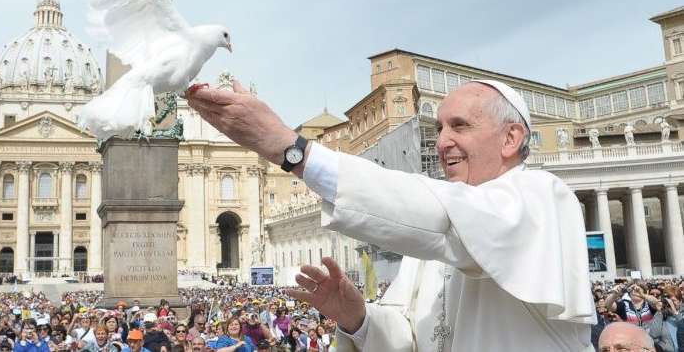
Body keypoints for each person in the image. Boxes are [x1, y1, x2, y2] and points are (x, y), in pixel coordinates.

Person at [187, 79, 596, 351]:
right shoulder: (435, 238)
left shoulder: (543, 196)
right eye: (439, 130)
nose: (443, 143)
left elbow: (441, 216)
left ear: (511, 138)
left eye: (460, 126)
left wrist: (292, 151)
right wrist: (357, 317)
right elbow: (408, 339)